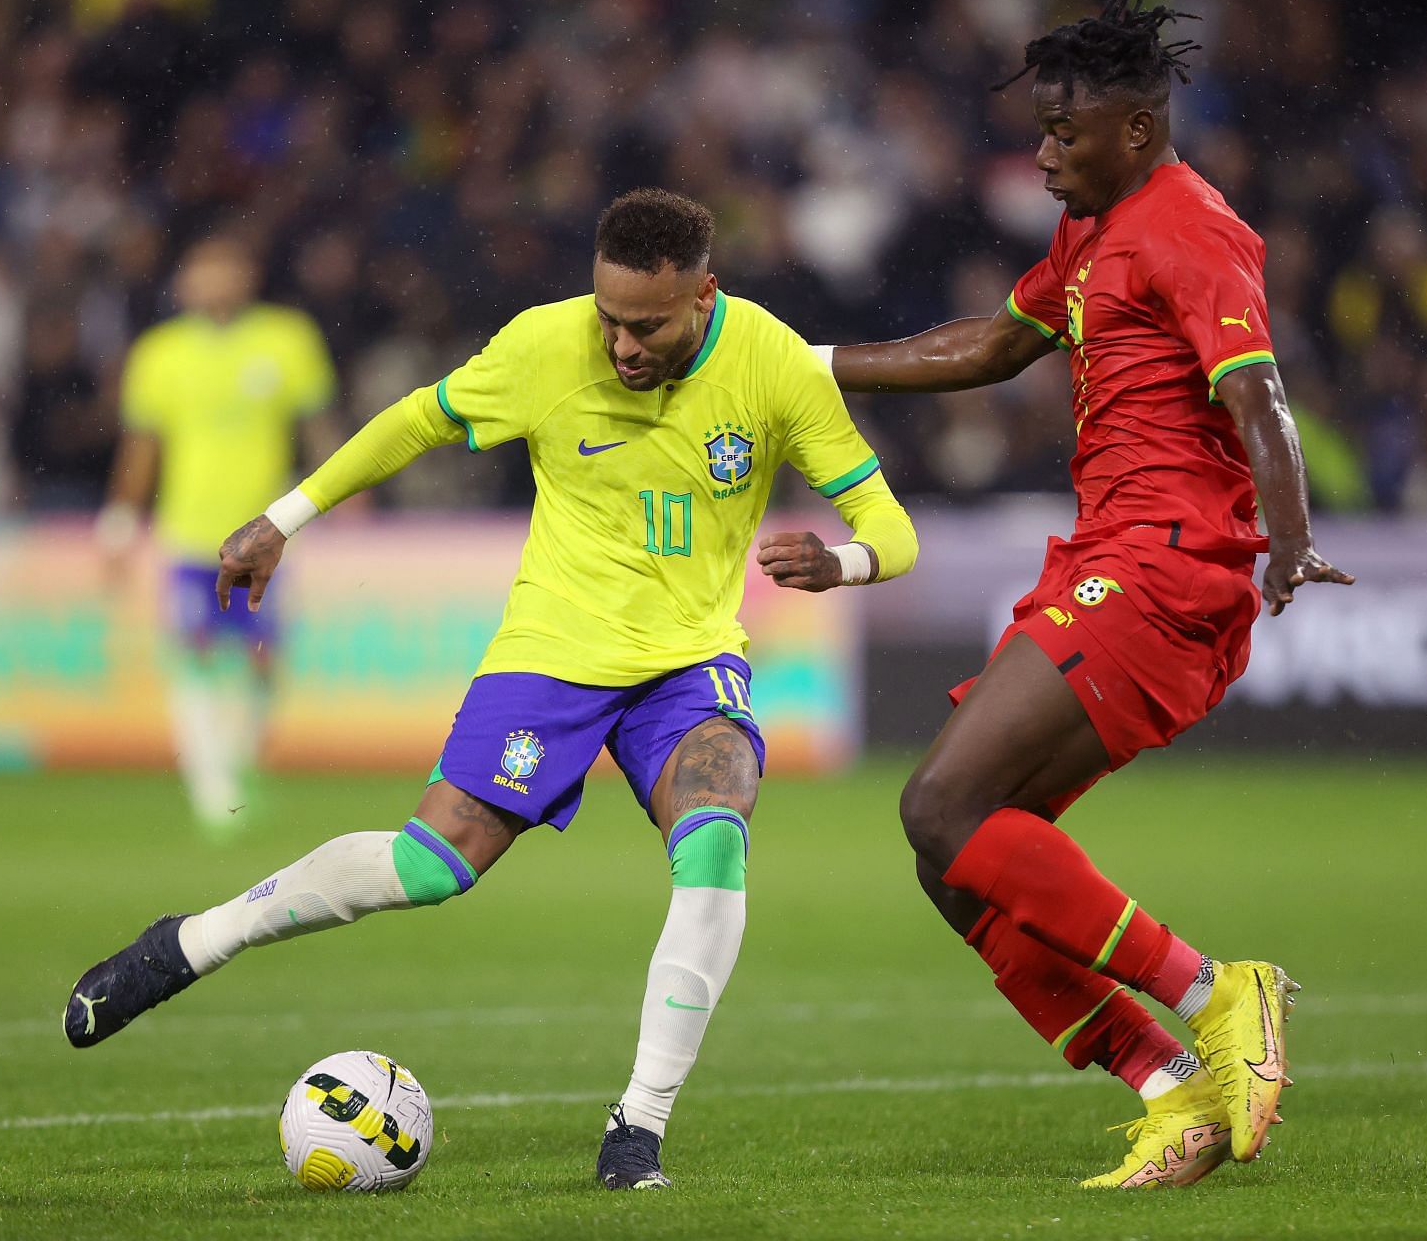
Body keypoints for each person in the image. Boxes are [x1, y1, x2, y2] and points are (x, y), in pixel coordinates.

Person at [63, 189, 918, 1191]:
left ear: (703, 296)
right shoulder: (544, 346)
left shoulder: (774, 363)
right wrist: (282, 518)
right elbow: (411, 424)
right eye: (609, 318)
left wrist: (844, 562)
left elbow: (892, 528)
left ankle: (636, 1128)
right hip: (549, 651)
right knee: (431, 866)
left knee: (717, 832)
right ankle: (195, 939)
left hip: (687, 662)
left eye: (647, 326)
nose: (622, 344)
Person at [814, 0, 1352, 1189]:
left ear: (1143, 128)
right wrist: (806, 362)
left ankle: (1220, 990)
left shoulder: (1187, 224)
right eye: (1042, 130)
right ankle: (1175, 1091)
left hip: (1162, 567)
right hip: (1109, 559)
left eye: (1067, 131)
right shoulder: (1092, 236)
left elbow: (1258, 393)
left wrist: (1291, 534)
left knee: (940, 803)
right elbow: (993, 346)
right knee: (952, 859)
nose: (1045, 151)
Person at [98, 234, 338, 833]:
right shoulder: (161, 353)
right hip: (190, 535)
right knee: (195, 654)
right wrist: (122, 519)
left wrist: (345, 498)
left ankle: (241, 761)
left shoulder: (287, 340)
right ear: (183, 283)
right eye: (200, 271)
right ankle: (210, 784)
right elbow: (143, 444)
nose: (211, 282)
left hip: (267, 531)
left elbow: (319, 427)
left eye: (223, 268)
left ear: (247, 274)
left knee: (263, 657)